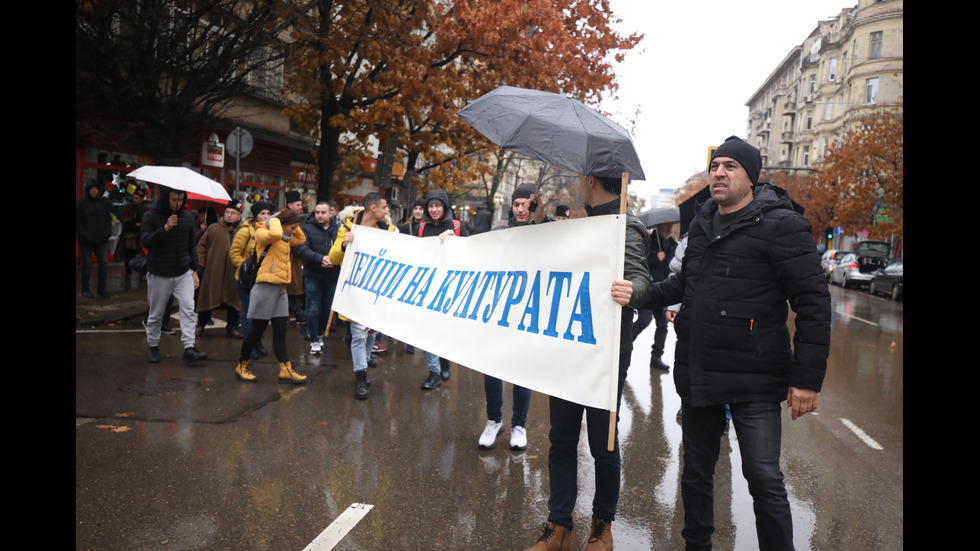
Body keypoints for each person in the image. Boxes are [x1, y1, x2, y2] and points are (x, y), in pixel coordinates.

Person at [648, 137, 831, 551]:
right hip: (700, 370)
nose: (719, 172)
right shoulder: (701, 221)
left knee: (764, 478)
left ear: (751, 177)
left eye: (730, 166)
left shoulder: (783, 225)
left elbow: (813, 304)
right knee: (695, 472)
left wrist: (807, 380)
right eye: (715, 165)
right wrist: (640, 292)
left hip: (756, 376)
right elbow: (684, 283)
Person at [525, 173, 651, 551]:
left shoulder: (627, 227)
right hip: (570, 348)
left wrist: (633, 291)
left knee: (603, 442)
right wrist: (538, 225)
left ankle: (601, 525)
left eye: (581, 179)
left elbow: (641, 280)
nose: (578, 185)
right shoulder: (587, 223)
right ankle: (559, 524)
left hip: (606, 354)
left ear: (592, 180)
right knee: (561, 439)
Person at [480, 184, 545, 451]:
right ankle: (494, 421)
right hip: (499, 311)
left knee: (522, 371)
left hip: (528, 312)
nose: (521, 209)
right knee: (492, 368)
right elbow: (472, 253)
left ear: (535, 206)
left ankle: (519, 425)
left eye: (527, 204)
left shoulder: (546, 234)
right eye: (517, 204)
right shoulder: (498, 234)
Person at [328, 192, 395, 400]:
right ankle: (360, 376)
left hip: (377, 291)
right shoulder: (348, 228)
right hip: (356, 290)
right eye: (384, 207)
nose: (387, 211)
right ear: (373, 208)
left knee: (371, 332)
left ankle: (363, 365)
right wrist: (343, 244)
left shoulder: (389, 230)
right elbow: (333, 257)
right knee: (358, 333)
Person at [234, 209, 308, 384]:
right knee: (257, 331)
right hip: (265, 287)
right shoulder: (263, 232)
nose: (294, 231)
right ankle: (242, 365)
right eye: (292, 227)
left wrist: (293, 222)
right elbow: (275, 233)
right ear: (281, 224)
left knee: (280, 331)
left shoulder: (286, 238)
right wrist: (274, 220)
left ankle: (285, 369)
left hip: (280, 288)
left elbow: (301, 239)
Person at [140, 186, 207, 364]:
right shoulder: (151, 215)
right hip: (159, 272)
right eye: (174, 199)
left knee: (188, 308)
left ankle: (189, 348)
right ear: (165, 198)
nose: (177, 203)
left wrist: (195, 269)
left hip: (183, 271)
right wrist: (165, 228)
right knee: (156, 313)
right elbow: (146, 241)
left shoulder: (186, 217)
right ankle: (153, 347)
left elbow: (191, 245)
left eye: (181, 199)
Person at [415, 189, 469, 390]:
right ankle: (434, 372)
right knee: (429, 329)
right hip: (428, 285)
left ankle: (445, 359)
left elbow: (470, 249)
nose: (434, 209)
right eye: (431, 206)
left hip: (449, 286)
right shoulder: (422, 227)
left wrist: (454, 236)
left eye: (438, 206)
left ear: (444, 207)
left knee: (445, 328)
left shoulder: (456, 226)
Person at [631, 221, 678, 371]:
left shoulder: (673, 246)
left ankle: (656, 357)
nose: (669, 229)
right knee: (644, 320)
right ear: (658, 226)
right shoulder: (649, 242)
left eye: (671, 225)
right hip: (648, 288)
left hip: (664, 289)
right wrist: (655, 258)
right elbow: (639, 264)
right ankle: (623, 343)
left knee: (662, 324)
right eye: (666, 226)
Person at [229, 202, 273, 359]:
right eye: (262, 213)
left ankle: (257, 341)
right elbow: (234, 252)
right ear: (255, 215)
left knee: (261, 313)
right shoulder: (245, 231)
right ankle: (249, 345)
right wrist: (246, 268)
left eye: (268, 213)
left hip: (263, 279)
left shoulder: (270, 231)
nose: (266, 216)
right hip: (245, 280)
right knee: (249, 312)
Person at [195, 200, 244, 338]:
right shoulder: (213, 228)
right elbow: (201, 247)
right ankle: (201, 325)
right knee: (208, 297)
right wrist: (201, 265)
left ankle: (232, 328)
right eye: (227, 212)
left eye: (233, 213)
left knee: (234, 301)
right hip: (213, 270)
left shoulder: (244, 231)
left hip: (234, 271)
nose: (229, 215)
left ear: (239, 216)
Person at [298, 201, 340, 355]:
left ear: (331, 213)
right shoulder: (307, 228)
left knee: (327, 308)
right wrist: (320, 259)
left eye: (323, 212)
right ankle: (314, 339)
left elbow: (343, 248)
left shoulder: (338, 229)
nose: (320, 215)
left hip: (332, 275)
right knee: (313, 307)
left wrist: (334, 261)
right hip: (313, 274)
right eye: (317, 212)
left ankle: (320, 333)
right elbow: (302, 249)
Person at [76, 179, 113, 298]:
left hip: (101, 239)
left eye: (96, 188)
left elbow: (108, 219)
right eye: (92, 188)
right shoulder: (81, 203)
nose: (94, 191)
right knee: (86, 263)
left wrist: (108, 232)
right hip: (86, 240)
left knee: (104, 263)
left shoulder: (104, 203)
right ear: (88, 190)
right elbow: (77, 220)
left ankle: (101, 289)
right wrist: (82, 233)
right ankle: (85, 289)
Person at [284, 191, 307, 323]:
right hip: (288, 258)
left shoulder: (296, 218)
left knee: (293, 288)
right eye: (298, 204)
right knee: (289, 288)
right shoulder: (286, 218)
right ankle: (296, 314)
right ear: (290, 205)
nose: (300, 207)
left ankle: (296, 313)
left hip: (295, 259)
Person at [117, 187, 149, 279]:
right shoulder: (128, 207)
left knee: (141, 255)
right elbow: (121, 217)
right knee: (128, 254)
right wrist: (130, 221)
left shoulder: (145, 209)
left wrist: (142, 224)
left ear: (142, 199)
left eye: (137, 198)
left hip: (141, 235)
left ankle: (141, 273)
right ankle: (128, 272)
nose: (135, 200)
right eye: (134, 198)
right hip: (129, 234)